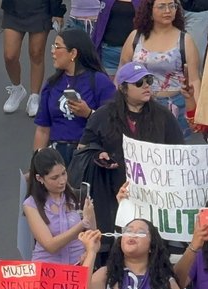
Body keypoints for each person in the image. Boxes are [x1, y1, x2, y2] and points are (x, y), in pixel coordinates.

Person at [79, 61, 183, 235]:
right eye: (139, 83)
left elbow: (179, 152)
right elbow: (83, 149)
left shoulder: (163, 116)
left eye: (148, 80)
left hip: (153, 197)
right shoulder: (103, 116)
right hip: (112, 194)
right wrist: (99, 155)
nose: (146, 86)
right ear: (123, 88)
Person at [33, 28, 117, 165]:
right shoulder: (51, 84)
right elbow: (43, 129)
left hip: (87, 154)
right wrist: (37, 163)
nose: (52, 51)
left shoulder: (99, 81)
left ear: (73, 53)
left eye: (57, 47)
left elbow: (114, 122)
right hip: (57, 155)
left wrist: (89, 114)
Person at [0, 0, 53, 116]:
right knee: (9, 56)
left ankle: (34, 96)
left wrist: (58, 12)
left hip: (40, 9)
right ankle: (17, 89)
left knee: (36, 53)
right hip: (13, 10)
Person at [23, 149, 93, 265]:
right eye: (54, 178)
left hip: (78, 265)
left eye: (64, 173)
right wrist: (82, 224)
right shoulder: (31, 204)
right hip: (47, 268)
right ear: (40, 178)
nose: (62, 181)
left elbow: (93, 235)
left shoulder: (78, 196)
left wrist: (89, 252)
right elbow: (50, 245)